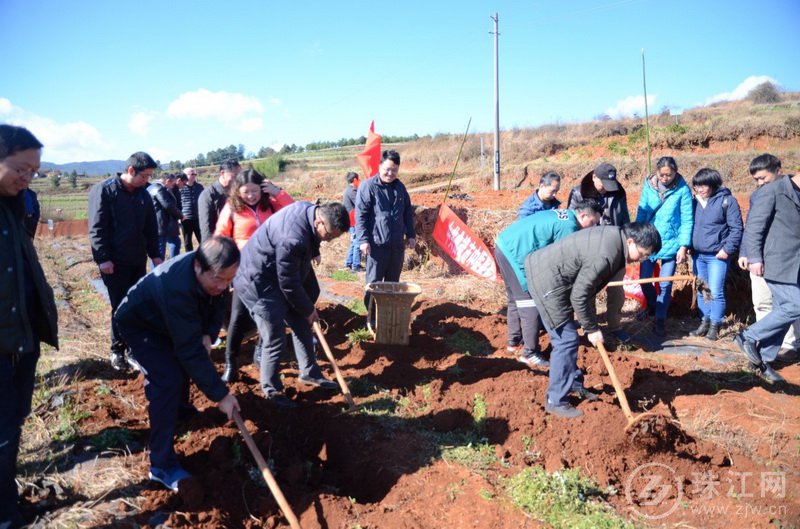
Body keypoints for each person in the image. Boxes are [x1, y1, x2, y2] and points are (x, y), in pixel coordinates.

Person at [114, 237, 241, 491]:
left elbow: (217, 305)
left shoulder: (216, 271)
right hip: (140, 323)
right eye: (218, 279)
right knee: (167, 379)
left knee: (183, 363)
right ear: (197, 266)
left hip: (164, 319)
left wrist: (208, 333)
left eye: (229, 279)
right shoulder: (177, 289)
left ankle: (181, 412)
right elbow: (189, 351)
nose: (223, 285)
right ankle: (161, 465)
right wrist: (221, 395)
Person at [524, 222, 662, 418]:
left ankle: (573, 383)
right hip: (547, 282)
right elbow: (580, 294)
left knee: (570, 337)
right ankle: (556, 400)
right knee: (566, 340)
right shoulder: (606, 254)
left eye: (647, 256)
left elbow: (587, 291)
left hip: (557, 278)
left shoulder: (615, 239)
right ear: (631, 241)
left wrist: (592, 325)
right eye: (643, 253)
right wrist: (591, 328)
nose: (642, 259)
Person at [234, 201, 349, 408]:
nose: (329, 241)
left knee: (301, 322)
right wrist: (308, 308)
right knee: (275, 336)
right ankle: (272, 390)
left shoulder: (308, 211)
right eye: (329, 236)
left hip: (276, 275)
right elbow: (288, 282)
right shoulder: (292, 238)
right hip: (256, 282)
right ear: (318, 222)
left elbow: (290, 277)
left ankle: (310, 372)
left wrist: (306, 309)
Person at [0, 125, 59, 529]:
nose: (27, 178)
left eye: (34, 172)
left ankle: (7, 508)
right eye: (21, 168)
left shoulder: (14, 205)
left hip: (19, 340)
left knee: (11, 427)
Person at [495, 200, 602, 367]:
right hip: (517, 253)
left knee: (515, 299)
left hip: (504, 244)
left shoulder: (566, 215)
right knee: (529, 303)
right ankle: (530, 352)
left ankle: (514, 342)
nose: (593, 227)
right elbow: (562, 261)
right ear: (583, 215)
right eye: (593, 222)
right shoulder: (569, 228)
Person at [214, 169, 293, 382]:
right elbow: (220, 237)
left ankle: (261, 351)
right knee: (238, 317)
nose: (251, 196)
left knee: (270, 313)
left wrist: (278, 192)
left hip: (271, 269)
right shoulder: (231, 208)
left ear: (262, 188)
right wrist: (226, 268)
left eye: (255, 190)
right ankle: (231, 363)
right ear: (237, 191)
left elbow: (294, 213)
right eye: (246, 191)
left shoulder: (271, 205)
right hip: (244, 271)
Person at [88, 152, 161, 370]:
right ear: (131, 171)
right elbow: (97, 228)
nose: (147, 180)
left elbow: (151, 228)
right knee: (120, 306)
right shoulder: (105, 191)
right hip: (114, 263)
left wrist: (155, 254)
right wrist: (103, 258)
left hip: (137, 260)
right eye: (144, 176)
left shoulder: (143, 195)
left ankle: (134, 350)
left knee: (137, 305)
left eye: (149, 176)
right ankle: (117, 350)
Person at [734, 171, 800, 384]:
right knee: (796, 305)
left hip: (795, 263)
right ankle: (748, 336)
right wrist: (753, 257)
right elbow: (754, 227)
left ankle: (760, 362)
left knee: (784, 310)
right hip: (777, 261)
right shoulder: (773, 191)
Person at [567, 162, 631, 342]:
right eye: (603, 183)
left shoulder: (618, 191)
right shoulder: (578, 193)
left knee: (616, 290)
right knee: (588, 289)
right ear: (594, 177)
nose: (606, 189)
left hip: (615, 247)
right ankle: (590, 328)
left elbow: (624, 217)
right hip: (589, 249)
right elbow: (572, 222)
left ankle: (615, 326)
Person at [634, 156, 694, 337]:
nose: (665, 178)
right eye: (662, 175)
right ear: (657, 172)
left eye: (669, 175)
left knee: (666, 284)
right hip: (649, 242)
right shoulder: (649, 186)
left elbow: (687, 218)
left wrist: (683, 245)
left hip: (671, 243)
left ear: (675, 172)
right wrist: (637, 236)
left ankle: (660, 319)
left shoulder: (683, 189)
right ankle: (653, 306)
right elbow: (642, 211)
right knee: (644, 279)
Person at [355, 150, 416, 311]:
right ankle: (371, 318)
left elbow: (407, 212)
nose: (390, 173)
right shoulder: (367, 187)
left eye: (394, 170)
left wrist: (411, 235)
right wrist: (363, 240)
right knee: (374, 284)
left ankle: (389, 316)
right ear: (379, 166)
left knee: (392, 284)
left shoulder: (400, 187)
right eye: (387, 169)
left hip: (396, 246)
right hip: (376, 246)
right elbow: (360, 216)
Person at [688, 169, 743, 341]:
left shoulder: (727, 201)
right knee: (702, 290)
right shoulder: (694, 202)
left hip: (717, 256)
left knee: (716, 291)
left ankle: (715, 325)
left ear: (713, 184)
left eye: (703, 185)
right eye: (696, 185)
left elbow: (737, 229)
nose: (699, 189)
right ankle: (704, 321)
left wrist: (726, 250)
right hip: (697, 255)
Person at [198, 159, 240, 243]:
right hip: (220, 244)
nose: (237, 180)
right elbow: (207, 229)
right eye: (234, 176)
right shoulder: (208, 195)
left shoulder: (237, 192)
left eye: (239, 176)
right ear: (222, 173)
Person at [147, 172, 184, 261]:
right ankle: (159, 272)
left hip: (163, 224)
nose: (173, 186)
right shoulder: (159, 189)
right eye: (172, 184)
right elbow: (168, 205)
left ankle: (172, 265)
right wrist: (181, 215)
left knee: (175, 243)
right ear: (167, 181)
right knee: (159, 253)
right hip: (161, 225)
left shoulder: (152, 187)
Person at [342, 171, 363, 271]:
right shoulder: (352, 191)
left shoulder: (347, 190)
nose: (359, 181)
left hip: (350, 220)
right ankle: (356, 265)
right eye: (358, 179)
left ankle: (348, 263)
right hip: (354, 220)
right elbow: (359, 204)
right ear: (354, 180)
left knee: (353, 242)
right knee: (358, 242)